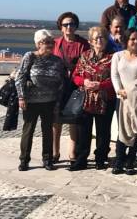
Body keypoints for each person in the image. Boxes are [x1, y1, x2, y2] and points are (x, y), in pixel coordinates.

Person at [16, 29, 67, 171]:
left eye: (52, 42)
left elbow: (61, 82)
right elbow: (20, 78)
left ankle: (48, 159)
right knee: (28, 131)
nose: (50, 45)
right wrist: (21, 97)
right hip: (31, 102)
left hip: (49, 102)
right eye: (47, 42)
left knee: (48, 132)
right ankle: (24, 160)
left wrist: (58, 102)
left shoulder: (57, 61)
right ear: (38, 44)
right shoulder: (30, 57)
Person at [68, 26, 115, 171]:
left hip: (105, 99)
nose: (99, 40)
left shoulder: (113, 57)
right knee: (83, 131)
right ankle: (81, 159)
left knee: (103, 131)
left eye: (102, 37)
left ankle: (101, 159)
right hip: (86, 99)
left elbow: (116, 78)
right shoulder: (84, 56)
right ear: (91, 41)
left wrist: (100, 85)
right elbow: (75, 76)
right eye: (96, 38)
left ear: (106, 40)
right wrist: (84, 82)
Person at [111, 28, 137, 175]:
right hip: (122, 98)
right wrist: (119, 89)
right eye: (132, 39)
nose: (135, 42)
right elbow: (115, 75)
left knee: (135, 129)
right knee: (122, 129)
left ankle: (130, 162)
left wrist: (136, 86)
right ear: (126, 41)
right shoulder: (117, 56)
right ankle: (119, 161)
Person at [52, 12, 90, 164]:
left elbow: (87, 64)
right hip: (58, 87)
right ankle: (55, 152)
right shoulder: (55, 43)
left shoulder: (83, 44)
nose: (69, 27)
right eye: (66, 24)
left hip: (75, 86)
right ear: (61, 27)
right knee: (56, 121)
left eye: (72, 24)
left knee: (73, 119)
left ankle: (72, 153)